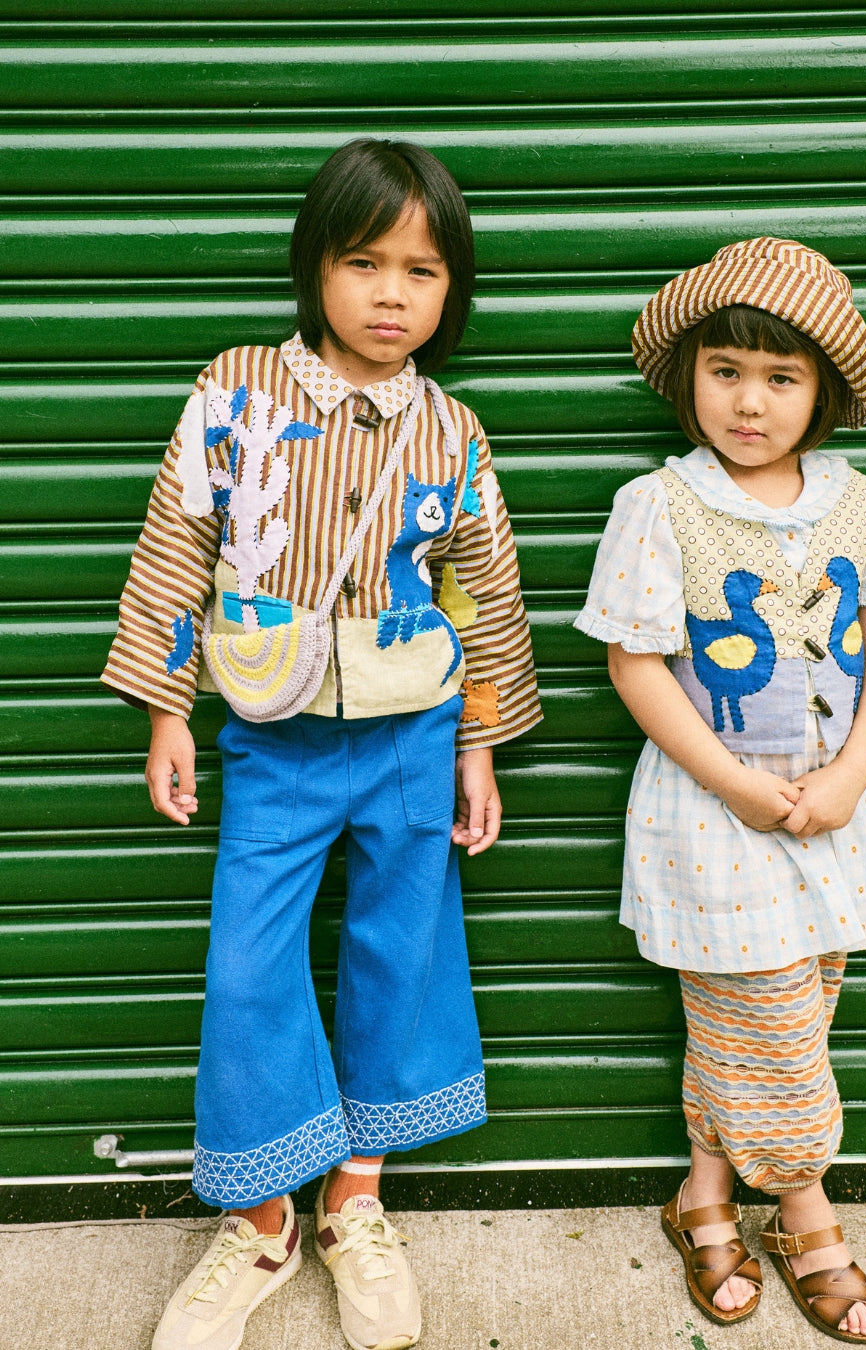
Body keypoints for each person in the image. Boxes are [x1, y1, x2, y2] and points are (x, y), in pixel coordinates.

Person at [102, 138, 541, 1350]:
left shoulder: (454, 431)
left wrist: (480, 745)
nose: (392, 294)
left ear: (452, 291)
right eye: (364, 262)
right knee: (249, 964)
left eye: (422, 271)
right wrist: (166, 710)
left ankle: (357, 1201)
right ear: (316, 266)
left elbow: (484, 592)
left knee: (405, 950)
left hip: (413, 735)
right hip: (273, 734)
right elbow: (177, 543)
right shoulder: (236, 388)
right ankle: (260, 1221)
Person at [575, 237, 866, 1343]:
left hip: (834, 810)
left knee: (785, 1011)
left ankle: (704, 1194)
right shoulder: (659, 504)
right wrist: (736, 785)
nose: (749, 400)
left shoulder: (861, 505)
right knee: (768, 1023)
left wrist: (852, 775)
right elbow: (636, 663)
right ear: (689, 375)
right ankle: (806, 1209)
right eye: (726, 370)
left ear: (822, 392)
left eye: (781, 377)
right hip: (713, 810)